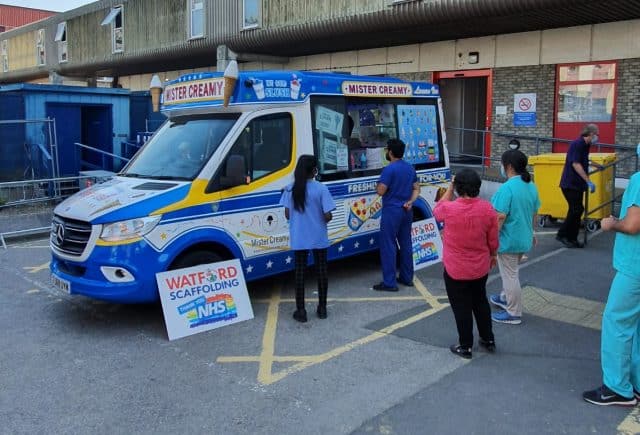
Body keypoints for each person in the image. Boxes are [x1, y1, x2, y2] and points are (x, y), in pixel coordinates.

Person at [583, 144, 640, 406]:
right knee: (635, 326)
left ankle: (617, 387)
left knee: (617, 321)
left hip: (634, 266)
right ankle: (635, 382)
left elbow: (632, 225)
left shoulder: (639, 180)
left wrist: (611, 223)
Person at [433, 169, 499, 359]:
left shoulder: (450, 209)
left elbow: (437, 210)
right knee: (480, 302)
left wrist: (450, 187)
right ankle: (488, 339)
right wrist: (493, 255)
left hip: (455, 269)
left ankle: (465, 346)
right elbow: (493, 239)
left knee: (461, 307)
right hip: (479, 267)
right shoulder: (487, 209)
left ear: (458, 187)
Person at [280, 155, 336, 322]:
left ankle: (301, 311)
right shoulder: (321, 189)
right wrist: (320, 217)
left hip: (299, 237)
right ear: (314, 170)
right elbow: (328, 215)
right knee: (321, 271)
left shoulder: (290, 189)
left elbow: (287, 214)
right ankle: (322, 309)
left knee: (300, 273)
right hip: (318, 236)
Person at [489, 150, 541, 325]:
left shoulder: (507, 188)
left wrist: (492, 241)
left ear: (509, 166)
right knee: (511, 271)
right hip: (523, 238)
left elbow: (499, 217)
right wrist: (532, 232)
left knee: (510, 275)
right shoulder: (530, 185)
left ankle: (513, 312)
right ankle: (505, 298)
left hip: (508, 240)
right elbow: (535, 213)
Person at [372, 138, 420, 292]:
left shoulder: (389, 169)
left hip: (392, 211)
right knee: (406, 243)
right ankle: (407, 278)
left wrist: (377, 185)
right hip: (407, 210)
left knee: (388, 245)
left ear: (390, 152)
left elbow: (381, 191)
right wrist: (410, 202)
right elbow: (416, 189)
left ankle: (389, 282)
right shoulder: (410, 168)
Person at [557, 123, 599, 249]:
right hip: (570, 183)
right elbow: (576, 164)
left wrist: (597, 165)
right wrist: (588, 180)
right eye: (596, 134)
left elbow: (584, 160)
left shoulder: (586, 145)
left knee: (576, 209)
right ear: (591, 134)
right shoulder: (578, 144)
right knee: (577, 209)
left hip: (577, 184)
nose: (597, 137)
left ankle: (572, 238)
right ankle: (563, 235)